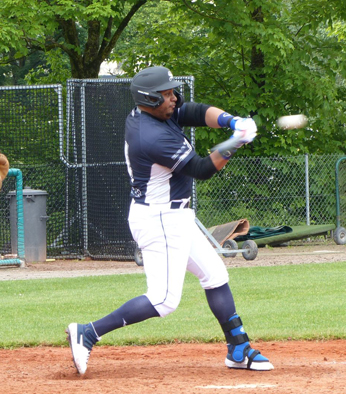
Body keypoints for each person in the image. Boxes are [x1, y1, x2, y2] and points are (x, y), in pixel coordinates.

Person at [66, 65, 273, 375]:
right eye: (165, 94)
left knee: (215, 274)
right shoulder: (150, 136)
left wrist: (233, 122)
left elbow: (193, 111)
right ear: (149, 100)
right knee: (163, 300)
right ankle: (88, 332)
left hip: (173, 215)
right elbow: (201, 169)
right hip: (159, 218)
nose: (173, 98)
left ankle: (238, 348)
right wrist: (235, 143)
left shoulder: (155, 114)